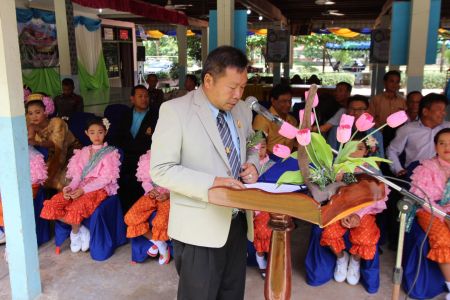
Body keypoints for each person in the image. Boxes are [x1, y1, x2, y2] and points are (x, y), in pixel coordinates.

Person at [150, 45, 260, 300]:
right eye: (232, 87)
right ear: (208, 80)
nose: (238, 94)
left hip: (238, 221)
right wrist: (212, 182)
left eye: (243, 86)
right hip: (199, 226)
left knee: (232, 294)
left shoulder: (242, 109)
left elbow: (253, 142)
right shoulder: (175, 111)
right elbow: (161, 170)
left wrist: (254, 163)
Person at [40, 117, 121, 253]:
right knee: (51, 205)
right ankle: (81, 229)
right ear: (86, 133)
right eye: (92, 132)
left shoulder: (110, 153)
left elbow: (105, 179)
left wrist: (83, 190)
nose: (96, 136)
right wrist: (70, 187)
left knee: (75, 208)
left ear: (105, 133)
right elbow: (77, 175)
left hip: (98, 188)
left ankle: (75, 234)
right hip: (80, 186)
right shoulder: (82, 152)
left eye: (100, 132)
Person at [321, 133, 388, 285]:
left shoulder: (372, 170)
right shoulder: (339, 167)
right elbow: (330, 192)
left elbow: (376, 197)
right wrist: (344, 210)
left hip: (364, 212)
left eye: (360, 148)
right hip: (340, 209)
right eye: (351, 148)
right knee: (330, 232)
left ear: (366, 151)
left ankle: (355, 261)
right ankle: (341, 258)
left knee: (366, 237)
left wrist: (357, 214)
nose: (355, 152)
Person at [409, 128, 450, 299]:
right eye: (442, 143)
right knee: (443, 239)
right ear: (435, 147)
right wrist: (446, 218)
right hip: (430, 211)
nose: (447, 147)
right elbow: (422, 199)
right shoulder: (427, 167)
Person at [112, 85, 159, 212]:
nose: (144, 99)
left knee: (137, 185)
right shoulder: (124, 115)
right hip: (125, 157)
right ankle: (124, 214)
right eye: (140, 96)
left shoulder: (156, 115)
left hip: (144, 159)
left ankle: (139, 214)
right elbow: (116, 137)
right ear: (132, 99)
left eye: (146, 96)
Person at [124, 150, 171, 265]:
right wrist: (150, 191)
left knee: (160, 222)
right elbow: (145, 181)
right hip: (151, 195)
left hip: (170, 197)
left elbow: (182, 184)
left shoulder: (177, 158)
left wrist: (168, 194)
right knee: (130, 217)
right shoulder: (147, 158)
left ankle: (161, 247)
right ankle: (160, 244)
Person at [26, 93, 81, 191]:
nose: (34, 116)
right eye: (30, 113)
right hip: (52, 156)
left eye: (37, 112)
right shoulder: (32, 127)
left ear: (46, 111)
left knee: (61, 182)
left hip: (71, 153)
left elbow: (57, 147)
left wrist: (36, 142)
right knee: (36, 177)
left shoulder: (57, 122)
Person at [387, 93, 450, 177]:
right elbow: (392, 150)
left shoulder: (448, 127)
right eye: (439, 110)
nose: (444, 113)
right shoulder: (407, 129)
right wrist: (398, 169)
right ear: (425, 111)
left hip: (444, 175)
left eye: (444, 110)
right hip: (415, 176)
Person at [0, 146, 48, 244]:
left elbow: (36, 179)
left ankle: (11, 235)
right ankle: (5, 232)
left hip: (27, 186)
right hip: (9, 185)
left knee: (8, 203)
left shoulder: (32, 152)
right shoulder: (6, 149)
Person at [250, 132, 275, 279]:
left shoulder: (272, 166)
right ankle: (261, 263)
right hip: (251, 205)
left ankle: (271, 260)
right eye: (256, 148)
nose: (260, 151)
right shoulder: (245, 165)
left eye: (263, 147)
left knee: (266, 230)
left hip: (268, 205)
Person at [253, 84, 298, 154]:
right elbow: (258, 147)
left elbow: (294, 144)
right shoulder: (262, 119)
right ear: (273, 101)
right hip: (268, 161)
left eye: (290, 101)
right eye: (284, 101)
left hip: (288, 160)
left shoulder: (292, 120)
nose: (288, 105)